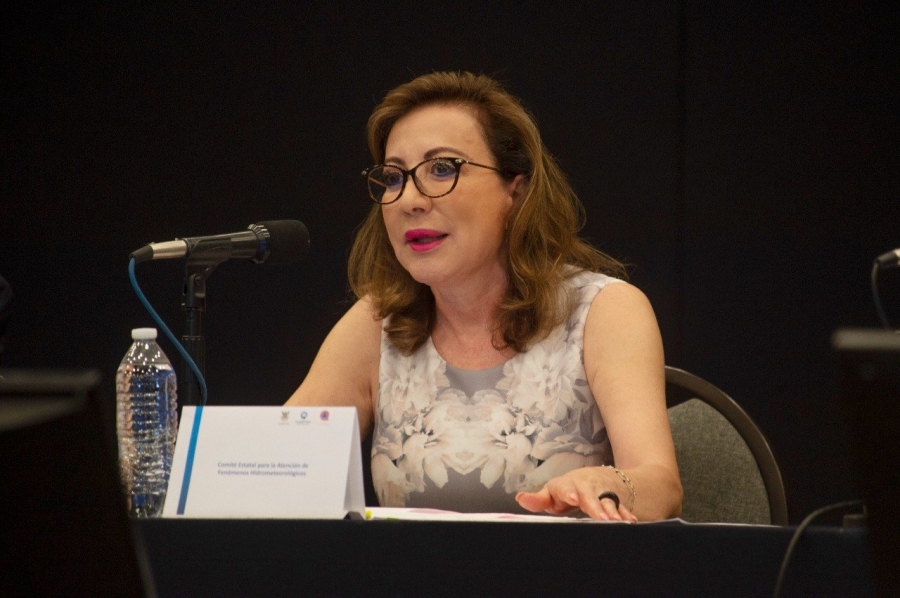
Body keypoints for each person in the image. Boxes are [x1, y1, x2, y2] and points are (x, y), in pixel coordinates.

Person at [286, 71, 682, 521]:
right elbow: (279, 464)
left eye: (442, 168)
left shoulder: (603, 311)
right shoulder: (378, 322)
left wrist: (612, 485)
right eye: (393, 177)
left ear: (516, 189)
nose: (410, 200)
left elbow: (662, 486)